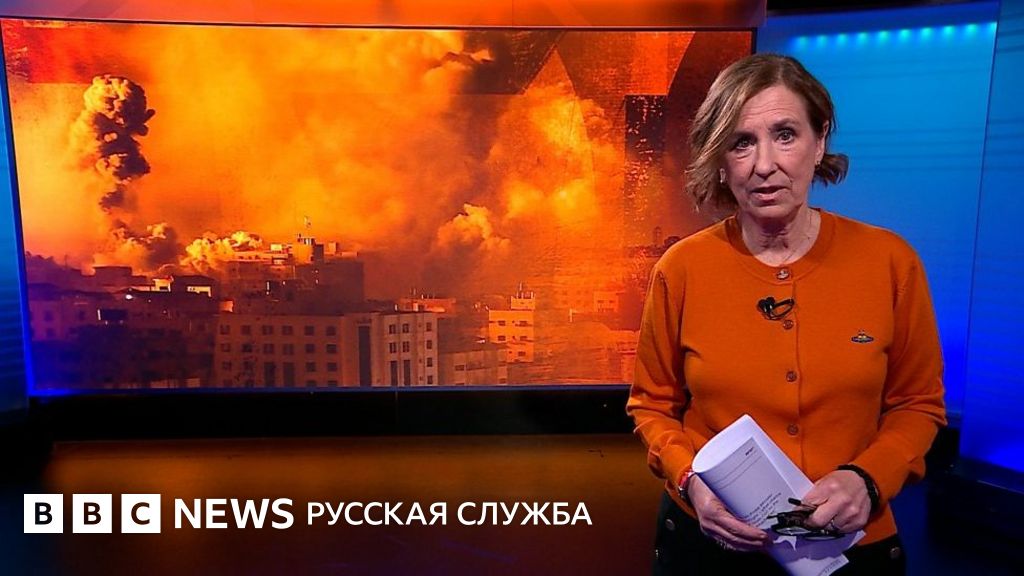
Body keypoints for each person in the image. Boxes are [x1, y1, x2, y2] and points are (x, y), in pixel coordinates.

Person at [626, 53, 946, 575]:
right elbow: (652, 406)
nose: (764, 164)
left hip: (851, 548)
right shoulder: (681, 268)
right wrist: (689, 481)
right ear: (720, 160)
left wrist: (869, 479)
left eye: (785, 135)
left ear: (819, 142)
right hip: (711, 549)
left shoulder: (891, 262)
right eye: (741, 142)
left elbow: (918, 404)